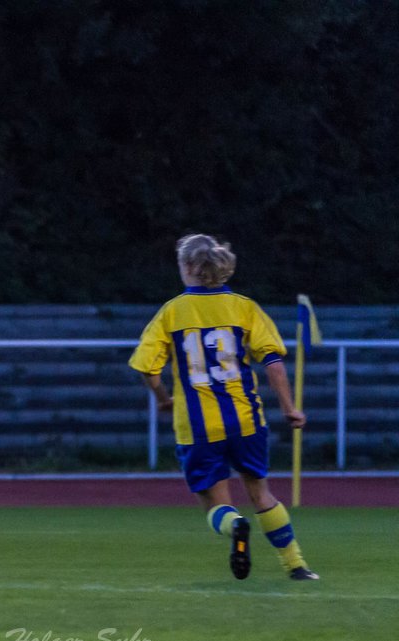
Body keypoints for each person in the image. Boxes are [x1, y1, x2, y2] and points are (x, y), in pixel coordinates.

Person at [129, 233, 316, 581]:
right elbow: (273, 362)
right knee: (261, 492)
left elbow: (146, 368)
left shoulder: (172, 312)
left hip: (198, 426)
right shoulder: (245, 308)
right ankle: (296, 565)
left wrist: (163, 399)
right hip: (246, 419)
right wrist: (290, 408)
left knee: (216, 503)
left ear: (186, 267)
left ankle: (235, 526)